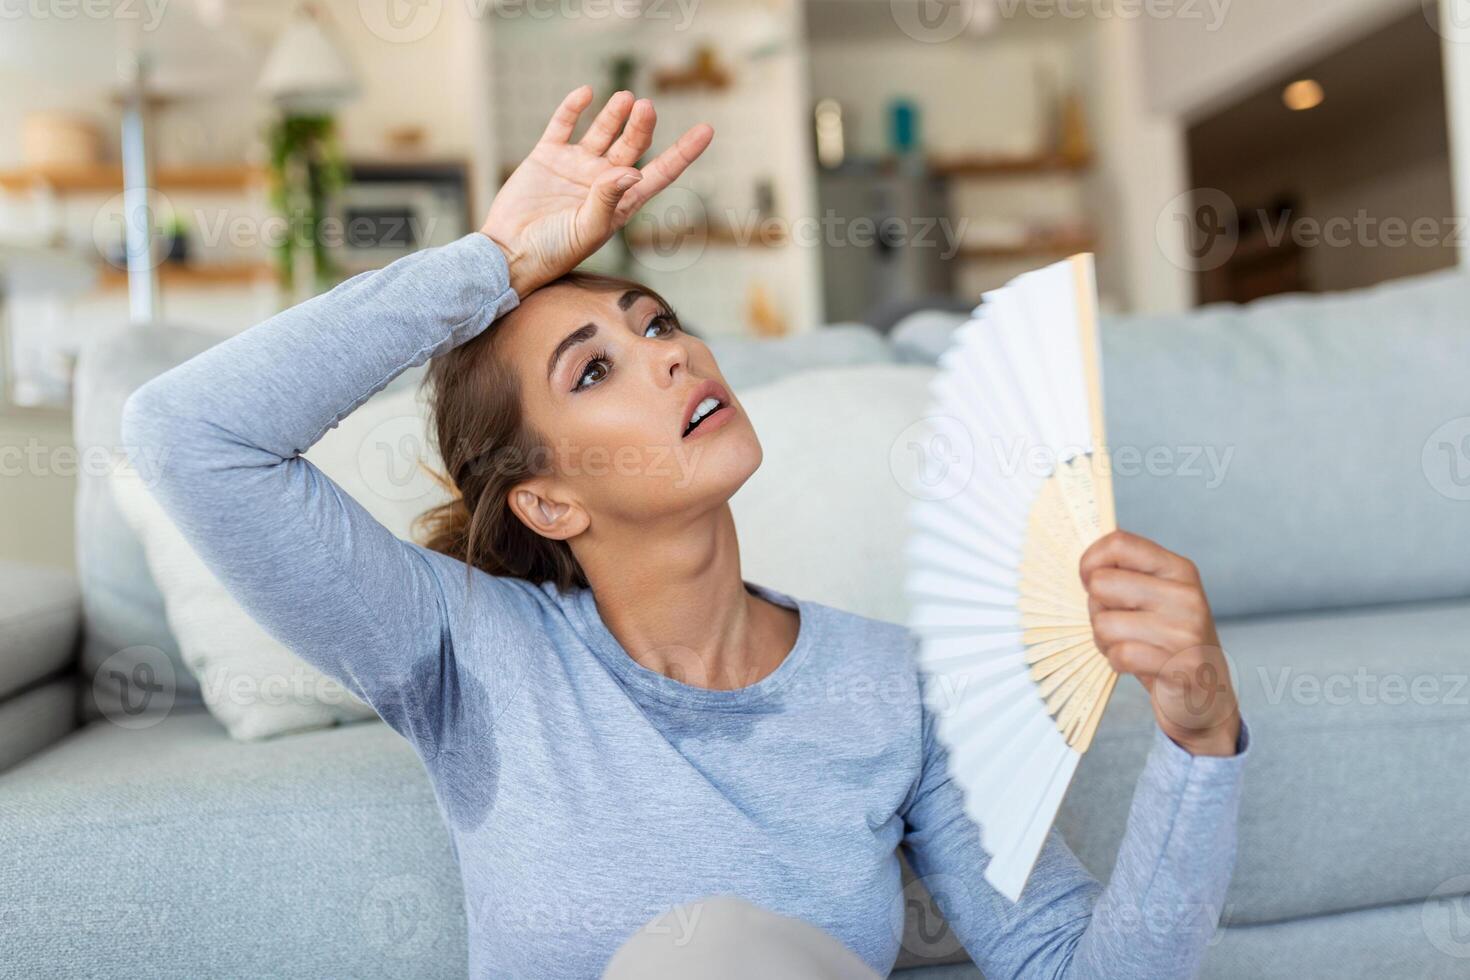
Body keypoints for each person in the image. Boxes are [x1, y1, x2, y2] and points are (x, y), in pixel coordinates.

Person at [123, 85, 1249, 979]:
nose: (672, 351)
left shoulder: (893, 687)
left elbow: (1072, 966)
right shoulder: (468, 648)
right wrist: (492, 264)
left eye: (657, 320)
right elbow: (186, 434)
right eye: (597, 367)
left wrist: (1200, 742)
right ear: (548, 499)